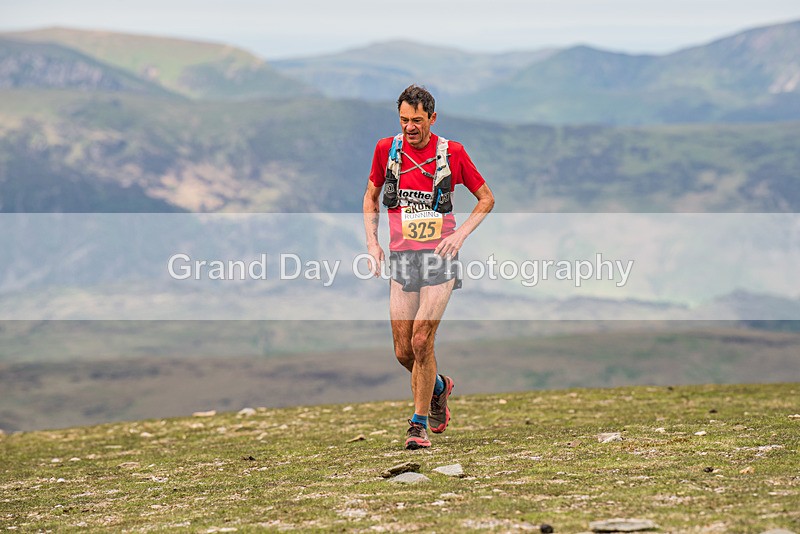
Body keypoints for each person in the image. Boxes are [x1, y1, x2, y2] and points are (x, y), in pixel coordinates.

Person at [363, 85, 494, 450]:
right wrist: (372, 242)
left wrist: (461, 235)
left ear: (432, 119)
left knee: (422, 340)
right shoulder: (385, 150)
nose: (410, 127)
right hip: (402, 259)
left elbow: (486, 198)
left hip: (440, 257)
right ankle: (439, 386)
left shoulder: (452, 153)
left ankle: (417, 425)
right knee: (404, 351)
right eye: (404, 120)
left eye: (417, 121)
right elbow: (371, 196)